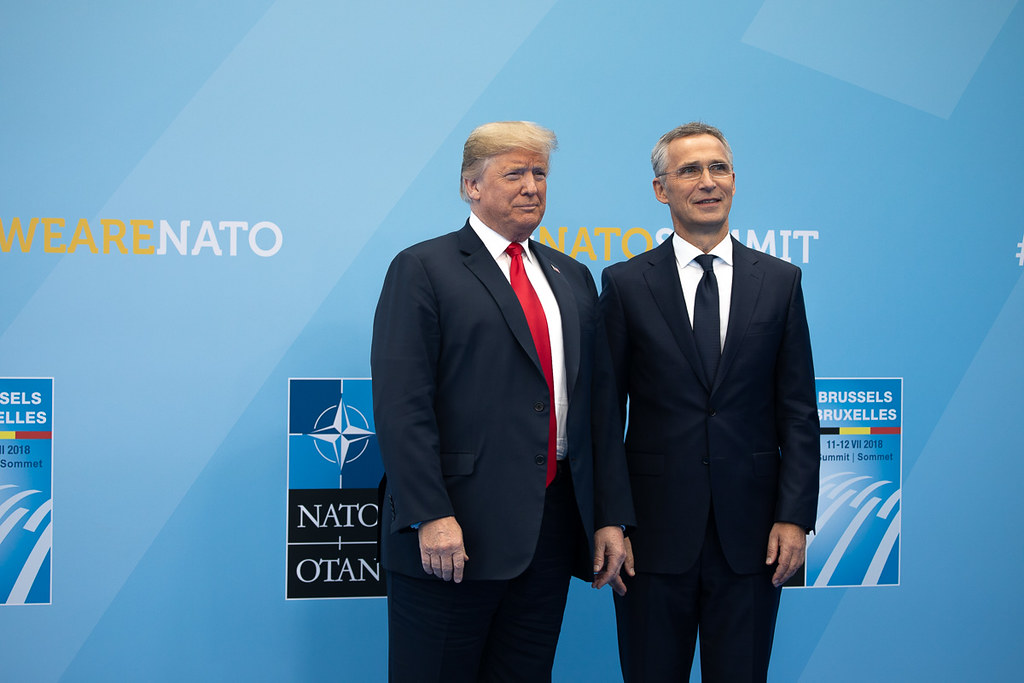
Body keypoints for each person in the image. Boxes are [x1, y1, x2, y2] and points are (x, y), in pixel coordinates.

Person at [371, 120, 634, 682]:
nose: (532, 187)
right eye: (515, 173)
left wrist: (609, 516)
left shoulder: (572, 276)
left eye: (540, 173)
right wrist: (431, 513)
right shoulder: (423, 268)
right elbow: (402, 407)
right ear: (471, 185)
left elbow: (598, 409)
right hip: (454, 533)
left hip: (549, 534)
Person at [600, 122, 820, 682]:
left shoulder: (780, 281)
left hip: (753, 538)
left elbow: (798, 411)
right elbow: (604, 416)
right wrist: (611, 520)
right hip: (651, 537)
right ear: (661, 189)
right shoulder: (625, 284)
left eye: (718, 168)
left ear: (734, 181)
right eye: (689, 170)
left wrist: (794, 516)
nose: (707, 181)